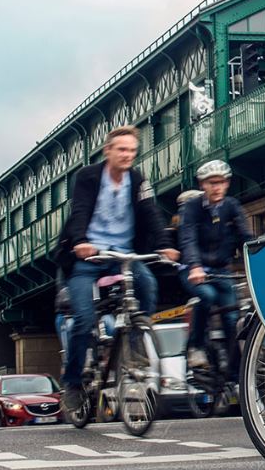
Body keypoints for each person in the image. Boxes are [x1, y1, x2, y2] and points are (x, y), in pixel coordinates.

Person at [55, 125, 178, 415]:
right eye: (121, 149)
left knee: (147, 283)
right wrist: (81, 242)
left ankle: (134, 346)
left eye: (132, 151)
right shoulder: (87, 177)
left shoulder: (137, 180)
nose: (127, 155)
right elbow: (80, 211)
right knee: (84, 321)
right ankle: (72, 382)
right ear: (107, 150)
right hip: (88, 258)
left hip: (122, 256)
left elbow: (151, 213)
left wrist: (164, 245)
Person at [178, 160, 252, 370]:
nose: (217, 187)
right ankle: (196, 347)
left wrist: (259, 257)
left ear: (227, 183)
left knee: (232, 319)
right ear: (202, 184)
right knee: (207, 296)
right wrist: (194, 266)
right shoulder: (192, 208)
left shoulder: (231, 206)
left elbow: (245, 236)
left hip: (221, 271)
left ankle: (234, 374)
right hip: (194, 270)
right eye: (212, 183)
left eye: (221, 182)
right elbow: (188, 239)